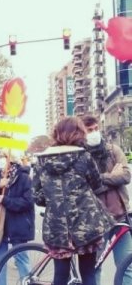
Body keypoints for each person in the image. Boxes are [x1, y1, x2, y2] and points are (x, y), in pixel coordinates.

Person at [33, 117, 115, 285]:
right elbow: (97, 185)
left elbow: (37, 196)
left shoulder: (41, 161)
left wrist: (54, 200)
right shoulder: (84, 157)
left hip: (56, 227)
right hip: (85, 224)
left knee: (60, 276)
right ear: (79, 133)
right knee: (88, 274)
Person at [81, 115, 132, 285]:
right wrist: (111, 177)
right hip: (96, 223)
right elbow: (86, 186)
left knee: (127, 266)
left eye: (96, 128)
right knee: (94, 267)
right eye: (90, 130)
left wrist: (99, 179)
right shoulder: (81, 155)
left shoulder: (113, 150)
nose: (94, 132)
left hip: (119, 218)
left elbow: (125, 176)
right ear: (83, 132)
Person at [0, 150, 35, 285]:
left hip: (19, 225)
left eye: (4, 157)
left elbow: (27, 202)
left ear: (11, 160)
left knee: (21, 258)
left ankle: (27, 282)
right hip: (1, 226)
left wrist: (5, 200)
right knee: (0, 260)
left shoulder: (24, 178)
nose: (1, 160)